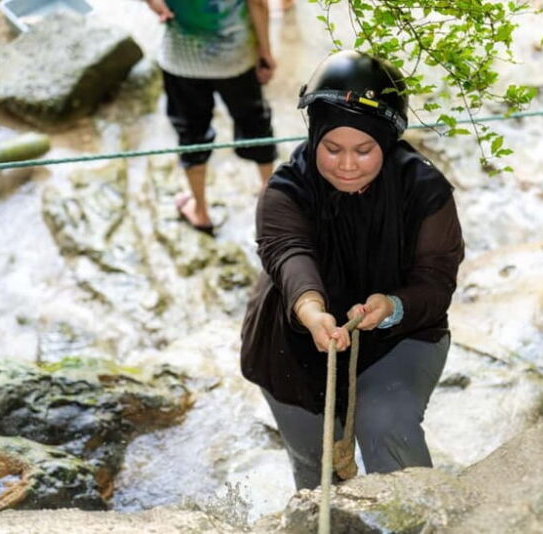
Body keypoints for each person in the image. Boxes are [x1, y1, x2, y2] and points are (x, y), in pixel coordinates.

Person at [240, 50, 465, 490]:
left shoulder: (424, 189)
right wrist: (310, 309)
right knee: (317, 465)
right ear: (314, 136)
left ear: (386, 141)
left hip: (399, 333)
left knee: (386, 424)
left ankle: (415, 515)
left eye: (364, 150)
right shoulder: (285, 189)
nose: (346, 165)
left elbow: (436, 280)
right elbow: (288, 253)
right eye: (332, 148)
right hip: (292, 345)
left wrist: (393, 305)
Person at [145, 0, 278, 235]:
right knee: (254, 121)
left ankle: (200, 210)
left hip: (182, 59)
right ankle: (271, 195)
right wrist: (265, 51)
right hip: (235, 57)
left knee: (191, 132)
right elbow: (258, 3)